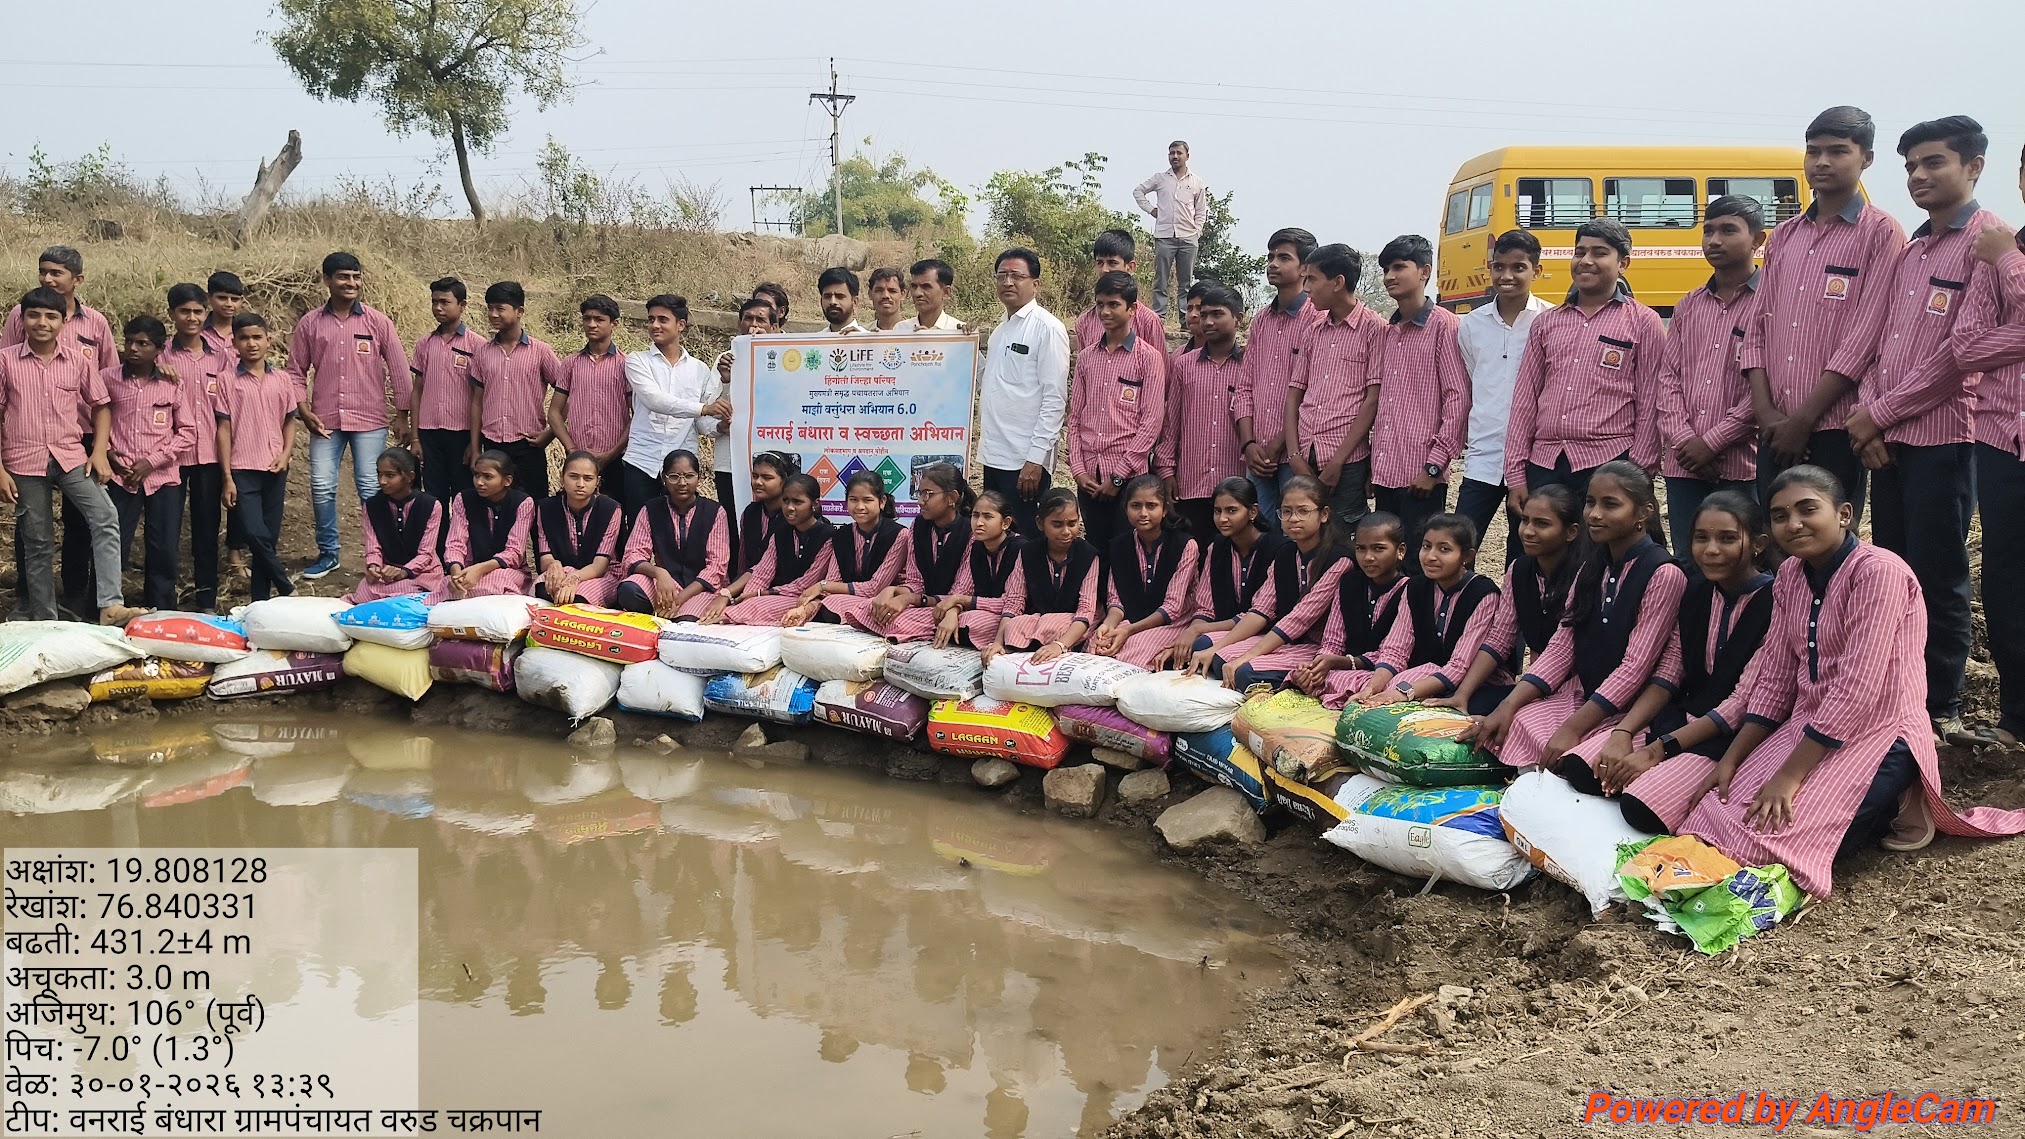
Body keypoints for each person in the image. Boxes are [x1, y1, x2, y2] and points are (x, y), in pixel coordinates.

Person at [1648, 467, 2025, 897]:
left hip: (1880, 730)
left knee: (1778, 843)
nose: (1794, 524)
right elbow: (1773, 678)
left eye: (1808, 509)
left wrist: (1789, 777)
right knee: (1709, 817)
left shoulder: (1879, 572)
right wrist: (1730, 761)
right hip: (1808, 727)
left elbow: (1857, 690)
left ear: (1844, 514)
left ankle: (1902, 790)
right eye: (1780, 515)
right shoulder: (1790, 576)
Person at [1838, 116, 1997, 747]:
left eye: (1934, 163)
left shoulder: (1986, 243)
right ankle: (1897, 693)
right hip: (1892, 438)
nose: (1919, 177)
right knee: (1893, 570)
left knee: (1938, 570)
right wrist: (1871, 417)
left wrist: (1878, 413)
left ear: (1974, 167)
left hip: (1945, 436)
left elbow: (1962, 354)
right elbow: (1882, 343)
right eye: (1910, 167)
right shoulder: (1914, 249)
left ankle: (1940, 704)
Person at [1572, 491, 1775, 824]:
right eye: (1701, 538)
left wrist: (1656, 752)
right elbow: (1669, 673)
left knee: (1638, 808)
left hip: (1727, 736)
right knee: (1583, 771)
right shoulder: (1695, 591)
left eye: (1727, 539)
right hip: (1680, 719)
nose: (1711, 550)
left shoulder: (1774, 601)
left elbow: (1741, 703)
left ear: (1758, 544)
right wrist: (1623, 732)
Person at [1745, 106, 1905, 526]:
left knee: (1830, 539)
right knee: (1778, 541)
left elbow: (1866, 337)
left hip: (1836, 426)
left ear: (1866, 158)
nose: (1822, 162)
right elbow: (1758, 328)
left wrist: (1804, 419)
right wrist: (1768, 416)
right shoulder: (1785, 235)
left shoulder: (1881, 232)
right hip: (1776, 428)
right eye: (1813, 151)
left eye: (1838, 151)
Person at [1468, 462, 1685, 772]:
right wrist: (1510, 705)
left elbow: (1636, 667)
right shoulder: (1594, 566)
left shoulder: (1663, 574)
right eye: (1591, 503)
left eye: (1610, 504)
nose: (1595, 514)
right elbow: (1562, 645)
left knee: (1578, 767)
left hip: (1633, 710)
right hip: (1588, 696)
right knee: (1507, 726)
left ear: (1644, 512)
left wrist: (1571, 728)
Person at [1503, 220, 1666, 513]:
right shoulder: (1547, 322)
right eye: (1579, 252)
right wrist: (1516, 474)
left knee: (1600, 554)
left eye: (1600, 253)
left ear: (1623, 263)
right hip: (1544, 464)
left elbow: (1650, 401)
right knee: (1537, 553)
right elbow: (1525, 400)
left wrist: (1639, 472)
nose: (1586, 261)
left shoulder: (1643, 322)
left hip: (1609, 464)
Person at [0, 287, 131, 623]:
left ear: (63, 321)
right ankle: (46, 619)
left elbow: (101, 406)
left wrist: (99, 451)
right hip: (22, 461)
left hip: (70, 456)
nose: (41, 323)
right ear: (22, 319)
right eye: (34, 315)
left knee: (104, 516)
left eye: (50, 316)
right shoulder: (5, 361)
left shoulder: (77, 360)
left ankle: (110, 605)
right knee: (38, 541)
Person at [1189, 477, 1381, 689]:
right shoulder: (1285, 554)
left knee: (1244, 672)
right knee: (1206, 647)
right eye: (1286, 512)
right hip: (1288, 640)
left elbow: (1300, 618)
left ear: (1324, 514)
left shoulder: (1339, 560)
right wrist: (1217, 647)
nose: (1294, 518)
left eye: (1303, 511)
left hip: (1319, 647)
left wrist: (1246, 656)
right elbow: (1261, 610)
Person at [291, 251, 411, 581]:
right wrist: (304, 411)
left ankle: (380, 556)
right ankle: (329, 553)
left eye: (356, 277)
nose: (351, 283)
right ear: (327, 280)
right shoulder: (311, 324)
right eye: (343, 277)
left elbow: (400, 371)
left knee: (371, 488)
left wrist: (402, 416)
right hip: (324, 420)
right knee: (321, 486)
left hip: (370, 419)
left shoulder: (377, 322)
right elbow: (294, 371)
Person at [1960, 142, 2025, 748]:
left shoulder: (2002, 252)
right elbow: (1967, 345)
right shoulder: (1998, 249)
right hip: (2005, 441)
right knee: (2005, 581)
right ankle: (2016, 718)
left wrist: (2010, 263)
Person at [1657, 196, 1765, 554]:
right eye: (1708, 231)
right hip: (1683, 463)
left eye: (1728, 230)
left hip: (1741, 464)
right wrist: (1685, 440)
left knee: (1741, 560)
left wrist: (1712, 442)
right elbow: (1668, 377)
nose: (1714, 241)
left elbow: (1768, 387)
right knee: (1690, 560)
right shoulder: (1688, 304)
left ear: (1758, 240)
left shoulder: (1771, 302)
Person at [1430, 484, 1586, 717]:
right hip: (1537, 684)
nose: (1528, 531)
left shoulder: (1586, 574)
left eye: (1542, 524)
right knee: (1466, 705)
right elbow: (1500, 638)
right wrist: (1462, 694)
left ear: (1571, 532)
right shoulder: (1520, 570)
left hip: (1581, 686)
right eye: (1525, 521)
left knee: (1516, 720)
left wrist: (1512, 704)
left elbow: (1563, 653)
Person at [1318, 514, 1501, 710]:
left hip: (1472, 684)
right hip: (1423, 675)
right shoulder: (1415, 588)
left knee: (1397, 692)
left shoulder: (1483, 594)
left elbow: (1460, 665)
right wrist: (1371, 690)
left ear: (1467, 556)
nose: (1431, 556)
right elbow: (1395, 650)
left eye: (1444, 549)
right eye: (1426, 546)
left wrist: (1402, 693)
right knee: (1374, 687)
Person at [1370, 235, 1469, 566]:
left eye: (1399, 267)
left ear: (1425, 271)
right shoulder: (1388, 332)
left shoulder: (1444, 325)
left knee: (1419, 562)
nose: (1390, 276)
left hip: (1420, 475)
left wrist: (1433, 465)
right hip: (1385, 473)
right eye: (1386, 269)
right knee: (1386, 563)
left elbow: (1457, 399)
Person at [1456, 230, 1551, 568]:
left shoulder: (1550, 321)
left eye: (1518, 267)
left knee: (1524, 554)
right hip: (1483, 455)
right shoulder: (1470, 325)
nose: (1506, 276)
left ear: (1536, 271)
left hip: (1531, 459)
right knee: (1461, 545)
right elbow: (1471, 381)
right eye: (1499, 267)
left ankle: (1514, 618)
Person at [1284, 242, 1385, 530]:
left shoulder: (1374, 328)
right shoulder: (1314, 329)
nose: (1306, 288)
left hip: (1347, 459)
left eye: (1312, 279)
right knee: (1305, 534)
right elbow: (1294, 393)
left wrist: (1338, 462)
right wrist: (1294, 455)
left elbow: (1372, 400)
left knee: (1342, 535)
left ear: (1338, 282)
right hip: (1306, 452)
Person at [1068, 270, 1168, 552]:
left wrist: (1118, 476)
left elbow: (1151, 423)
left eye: (1113, 304)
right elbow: (1075, 417)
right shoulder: (1087, 357)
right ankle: (1095, 598)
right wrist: (1078, 469)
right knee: (1095, 548)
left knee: (1127, 549)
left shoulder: (1148, 358)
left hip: (1129, 477)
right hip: (1089, 475)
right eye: (1100, 304)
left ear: (1132, 308)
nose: (1105, 311)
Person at [103, 315, 195, 610]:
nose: (133, 349)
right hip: (122, 476)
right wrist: (107, 452)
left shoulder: (172, 384)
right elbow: (91, 422)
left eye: (142, 344)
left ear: (159, 349)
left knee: (163, 547)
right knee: (113, 544)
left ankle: (161, 610)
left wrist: (152, 462)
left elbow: (188, 432)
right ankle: (105, 608)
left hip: (163, 478)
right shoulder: (108, 379)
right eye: (129, 341)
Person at [977, 248, 1070, 536]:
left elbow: (1055, 398)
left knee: (1027, 539)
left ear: (1035, 283)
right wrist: (963, 342)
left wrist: (1036, 459)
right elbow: (990, 379)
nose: (1008, 282)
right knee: (998, 538)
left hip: (1023, 461)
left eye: (1017, 276)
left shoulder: (1047, 329)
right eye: (1002, 276)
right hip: (993, 454)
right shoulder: (1000, 331)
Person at [827, 461, 974, 639]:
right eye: (920, 494)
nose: (920, 501)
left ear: (952, 498)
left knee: (966, 622)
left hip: (953, 608)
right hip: (923, 605)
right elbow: (915, 582)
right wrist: (895, 592)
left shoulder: (970, 533)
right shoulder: (918, 526)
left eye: (928, 495)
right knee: (870, 608)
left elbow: (961, 593)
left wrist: (908, 599)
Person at [1152, 478, 1286, 670]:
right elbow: (1205, 608)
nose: (1222, 518)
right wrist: (1192, 631)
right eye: (1217, 511)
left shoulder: (1277, 549)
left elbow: (1260, 613)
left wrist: (1200, 629)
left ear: (1253, 512)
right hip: (1224, 631)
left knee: (1205, 646)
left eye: (1232, 511)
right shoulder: (1216, 548)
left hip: (1264, 633)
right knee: (1193, 645)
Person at [1235, 227, 1320, 525]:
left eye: (1284, 257)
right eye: (1271, 256)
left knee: (1295, 533)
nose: (1273, 263)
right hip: (1257, 455)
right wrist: (1249, 445)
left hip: (1294, 453)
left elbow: (1314, 393)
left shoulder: (1317, 318)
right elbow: (1244, 386)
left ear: (1305, 268)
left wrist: (1278, 445)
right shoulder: (1261, 321)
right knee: (1255, 532)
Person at [216, 313, 302, 604]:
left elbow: (289, 420)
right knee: (254, 533)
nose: (251, 344)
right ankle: (285, 585)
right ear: (234, 343)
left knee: (269, 537)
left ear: (268, 340)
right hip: (242, 468)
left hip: (275, 467)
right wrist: (227, 476)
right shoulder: (227, 381)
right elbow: (224, 428)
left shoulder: (282, 379)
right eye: (244, 338)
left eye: (257, 337)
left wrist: (286, 454)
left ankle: (260, 601)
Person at [1155, 282, 1247, 540]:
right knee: (1193, 553)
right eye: (1203, 315)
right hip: (1190, 482)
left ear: (1238, 319)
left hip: (1236, 484)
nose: (1207, 321)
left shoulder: (1250, 366)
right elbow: (1171, 423)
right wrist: (1166, 471)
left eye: (1217, 314)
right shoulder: (1184, 365)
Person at [622, 294, 724, 518]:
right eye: (650, 319)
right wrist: (704, 409)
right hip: (642, 460)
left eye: (662, 319)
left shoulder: (700, 369)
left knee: (679, 534)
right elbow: (653, 400)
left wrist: (720, 427)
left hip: (682, 468)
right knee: (638, 532)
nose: (654, 325)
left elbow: (702, 424)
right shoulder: (637, 360)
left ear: (680, 325)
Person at [164, 282, 232, 611]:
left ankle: (206, 596)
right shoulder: (160, 355)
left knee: (206, 530)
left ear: (206, 314)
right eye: (184, 311)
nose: (191, 317)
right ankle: (162, 599)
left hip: (208, 454)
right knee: (165, 530)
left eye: (197, 311)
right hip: (169, 457)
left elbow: (230, 409)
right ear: (172, 314)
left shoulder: (221, 358)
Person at [1089, 475, 1199, 669]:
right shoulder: (1119, 546)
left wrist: (1128, 631)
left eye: (1151, 505)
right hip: (1133, 619)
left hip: (1174, 623)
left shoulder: (1185, 545)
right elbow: (1116, 601)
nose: (1143, 513)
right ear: (1126, 509)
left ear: (1164, 509)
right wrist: (1109, 625)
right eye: (1135, 506)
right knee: (1097, 645)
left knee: (1136, 648)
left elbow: (1172, 608)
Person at [467, 281, 560, 502]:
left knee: (535, 505)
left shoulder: (541, 352)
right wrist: (474, 447)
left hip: (527, 445)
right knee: (493, 507)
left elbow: (567, 394)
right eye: (490, 308)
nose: (493, 314)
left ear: (519, 312)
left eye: (500, 308)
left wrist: (550, 433)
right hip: (492, 443)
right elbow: (477, 402)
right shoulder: (482, 353)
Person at [705, 473, 834, 626]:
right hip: (776, 596)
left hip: (806, 599)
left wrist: (761, 595)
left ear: (814, 504)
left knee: (754, 608)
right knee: (742, 607)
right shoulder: (780, 532)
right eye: (785, 501)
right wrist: (747, 598)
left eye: (798, 502)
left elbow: (806, 584)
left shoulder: (828, 536)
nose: (790, 508)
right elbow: (762, 573)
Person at [616, 449, 731, 619]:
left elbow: (716, 568)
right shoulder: (650, 509)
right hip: (665, 585)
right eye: (674, 476)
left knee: (686, 621)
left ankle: (668, 612)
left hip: (701, 589)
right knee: (629, 591)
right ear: (664, 479)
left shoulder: (715, 512)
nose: (682, 483)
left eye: (689, 476)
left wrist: (679, 599)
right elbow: (632, 555)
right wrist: (659, 573)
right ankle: (660, 612)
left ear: (698, 478)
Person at [990, 489, 1100, 663]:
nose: (1066, 532)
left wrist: (1059, 646)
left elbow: (1086, 610)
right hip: (1038, 620)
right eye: (1057, 525)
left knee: (1053, 625)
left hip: (1071, 623)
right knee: (1013, 626)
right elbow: (1014, 601)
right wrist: (998, 643)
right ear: (1040, 524)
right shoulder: (1028, 551)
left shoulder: (1088, 554)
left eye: (1072, 524)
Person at [790, 470, 907, 623]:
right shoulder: (842, 535)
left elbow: (875, 588)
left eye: (867, 500)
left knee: (834, 605)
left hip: (884, 602)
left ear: (882, 501)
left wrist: (823, 586)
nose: (860, 506)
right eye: (853, 499)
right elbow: (834, 580)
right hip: (847, 600)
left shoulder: (899, 534)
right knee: (827, 604)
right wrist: (810, 605)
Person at [410, 277, 486, 501]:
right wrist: (415, 438)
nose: (438, 308)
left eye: (445, 302)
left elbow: (481, 397)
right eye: (434, 302)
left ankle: (462, 537)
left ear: (462, 306)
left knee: (465, 494)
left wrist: (475, 444)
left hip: (462, 433)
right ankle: (438, 536)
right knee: (434, 495)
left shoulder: (478, 346)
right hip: (429, 432)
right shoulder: (425, 344)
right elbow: (417, 391)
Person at [708, 297, 775, 540]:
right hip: (730, 463)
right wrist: (726, 380)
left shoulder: (786, 359)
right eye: (748, 318)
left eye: (761, 320)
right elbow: (705, 419)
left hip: (772, 463)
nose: (753, 325)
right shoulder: (725, 360)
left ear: (774, 328)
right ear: (739, 323)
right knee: (734, 528)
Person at [925, 489, 1025, 650]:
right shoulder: (976, 547)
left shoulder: (1020, 549)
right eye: (975, 515)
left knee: (970, 621)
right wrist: (953, 611)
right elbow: (962, 589)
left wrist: (960, 601)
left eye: (988, 517)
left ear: (1005, 523)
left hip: (1012, 616)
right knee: (939, 616)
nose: (978, 522)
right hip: (983, 612)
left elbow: (1011, 603)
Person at [549, 294, 630, 487]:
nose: (592, 324)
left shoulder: (626, 365)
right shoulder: (571, 363)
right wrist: (571, 448)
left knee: (614, 511)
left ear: (614, 324)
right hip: (578, 460)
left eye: (599, 319)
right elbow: (554, 413)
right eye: (587, 319)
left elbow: (637, 415)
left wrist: (611, 453)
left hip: (616, 458)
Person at [431, 449, 534, 601]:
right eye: (476, 475)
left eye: (488, 477)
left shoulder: (523, 503)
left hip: (507, 571)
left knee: (497, 583)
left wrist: (479, 570)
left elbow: (514, 552)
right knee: (449, 586)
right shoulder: (463, 499)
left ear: (507, 481)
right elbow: (455, 543)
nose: (479, 482)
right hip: (468, 570)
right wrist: (456, 572)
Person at [345, 447, 444, 604]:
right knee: (365, 595)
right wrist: (374, 567)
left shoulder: (431, 505)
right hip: (387, 572)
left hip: (422, 573)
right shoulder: (372, 506)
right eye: (379, 474)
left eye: (390, 475)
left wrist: (404, 572)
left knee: (411, 599)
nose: (382, 481)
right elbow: (373, 547)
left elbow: (426, 553)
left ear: (410, 477)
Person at [534, 451, 624, 608]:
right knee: (542, 587)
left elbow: (600, 565)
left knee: (578, 597)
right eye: (573, 476)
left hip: (601, 575)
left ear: (597, 482)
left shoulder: (610, 509)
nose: (580, 484)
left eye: (588, 478)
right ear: (562, 477)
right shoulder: (546, 507)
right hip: (565, 569)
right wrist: (554, 565)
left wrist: (575, 578)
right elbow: (545, 556)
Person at [1132, 140, 1208, 320]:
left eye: (1178, 153)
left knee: (1186, 282)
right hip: (1164, 236)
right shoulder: (1160, 179)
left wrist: (1197, 230)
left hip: (1188, 237)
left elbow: (1201, 210)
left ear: (1187, 156)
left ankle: (1186, 318)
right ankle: (1159, 317)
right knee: (1161, 280)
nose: (1175, 156)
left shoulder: (1196, 182)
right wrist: (1151, 210)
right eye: (1171, 153)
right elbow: (1138, 191)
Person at [1073, 230, 1166, 352]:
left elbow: (1160, 368)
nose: (1105, 270)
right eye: (1100, 263)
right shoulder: (1085, 322)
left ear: (1130, 267)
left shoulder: (1148, 321)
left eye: (1112, 263)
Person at [731, 451, 796, 581]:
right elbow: (743, 563)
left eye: (767, 478)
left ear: (784, 481)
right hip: (746, 585)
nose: (758, 482)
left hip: (782, 589)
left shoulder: (793, 515)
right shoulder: (750, 512)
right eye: (755, 476)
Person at [898, 260, 962, 331]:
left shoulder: (958, 331)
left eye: (926, 287)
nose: (917, 293)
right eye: (914, 286)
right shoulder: (901, 329)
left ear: (946, 292)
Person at [201, 271, 246, 355]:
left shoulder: (245, 331)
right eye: (222, 298)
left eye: (234, 299)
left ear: (241, 300)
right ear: (209, 297)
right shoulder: (197, 330)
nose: (229, 304)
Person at [816, 267, 865, 335]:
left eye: (840, 296)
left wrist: (861, 343)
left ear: (854, 302)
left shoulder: (870, 341)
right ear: (821, 302)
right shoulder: (815, 341)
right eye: (827, 296)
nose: (833, 302)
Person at [866, 268, 906, 332]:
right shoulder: (863, 333)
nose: (885, 295)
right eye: (879, 290)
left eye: (892, 291)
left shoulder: (914, 332)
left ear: (902, 294)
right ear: (870, 294)